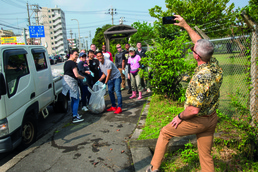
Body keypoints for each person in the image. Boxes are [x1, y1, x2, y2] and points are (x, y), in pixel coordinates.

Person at [146, 15, 223, 172]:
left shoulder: (200, 77)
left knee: (165, 132)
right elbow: (200, 44)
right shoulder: (214, 65)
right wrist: (185, 25)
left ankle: (153, 169)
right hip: (212, 118)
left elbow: (193, 110)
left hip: (197, 119)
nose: (193, 48)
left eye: (193, 49)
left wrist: (179, 117)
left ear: (196, 56)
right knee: (206, 156)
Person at [62, 50, 86, 123]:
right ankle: (75, 117)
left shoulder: (66, 62)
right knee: (76, 99)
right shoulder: (72, 63)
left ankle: (74, 114)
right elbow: (76, 75)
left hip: (66, 82)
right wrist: (83, 78)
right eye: (75, 54)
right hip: (71, 82)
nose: (76, 56)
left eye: (77, 55)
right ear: (71, 55)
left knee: (72, 98)